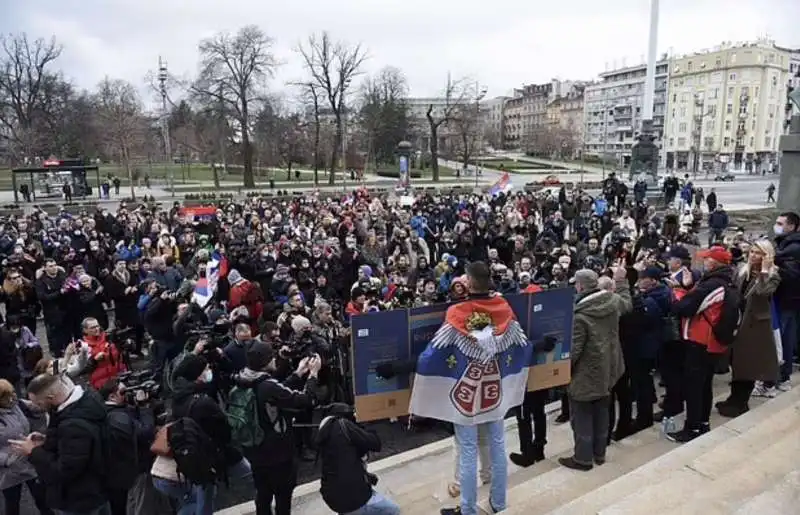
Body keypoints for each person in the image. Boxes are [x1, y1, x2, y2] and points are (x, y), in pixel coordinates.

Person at [410, 261, 530, 515]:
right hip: (493, 391)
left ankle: (467, 509)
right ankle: (498, 502)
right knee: (498, 445)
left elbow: (434, 352)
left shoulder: (458, 313)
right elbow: (522, 342)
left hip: (467, 394)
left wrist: (406, 366)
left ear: (471, 283)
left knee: (467, 450)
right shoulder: (503, 308)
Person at [232, 341, 320, 515]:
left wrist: (298, 373)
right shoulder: (268, 386)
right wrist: (313, 374)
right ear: (266, 361)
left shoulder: (242, 379)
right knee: (282, 497)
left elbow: (278, 393)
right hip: (278, 454)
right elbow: (304, 400)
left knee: (263, 494)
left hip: (253, 449)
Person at [559, 266, 631, 471]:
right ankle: (599, 454)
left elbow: (574, 351)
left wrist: (561, 373)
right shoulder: (613, 301)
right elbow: (627, 304)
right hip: (609, 368)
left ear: (580, 286)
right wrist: (622, 281)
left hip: (586, 373)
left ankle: (582, 459)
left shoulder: (580, 315)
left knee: (581, 416)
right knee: (602, 411)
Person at [13, 373, 111, 515]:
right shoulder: (87, 402)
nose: (37, 407)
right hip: (97, 489)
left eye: (39, 403)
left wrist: (33, 452)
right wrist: (48, 440)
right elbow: (81, 447)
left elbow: (65, 470)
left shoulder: (72, 425)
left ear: (51, 398)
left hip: (80, 499)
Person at [668, 245, 735, 443]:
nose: (703, 262)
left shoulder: (711, 285)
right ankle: (703, 423)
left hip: (700, 342)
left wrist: (679, 290)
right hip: (712, 343)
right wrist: (690, 288)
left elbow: (684, 307)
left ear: (713, 263)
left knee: (694, 387)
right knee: (704, 386)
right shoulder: (724, 282)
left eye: (706, 259)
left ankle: (692, 427)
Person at [716, 239, 780, 417]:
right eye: (752, 251)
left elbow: (763, 292)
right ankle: (733, 397)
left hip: (755, 324)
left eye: (758, 253)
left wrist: (764, 271)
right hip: (738, 319)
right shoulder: (742, 270)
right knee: (736, 360)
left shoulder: (773, 274)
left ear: (766, 256)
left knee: (748, 363)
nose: (753, 255)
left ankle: (741, 401)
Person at [316, 403, 400, 515]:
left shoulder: (325, 431)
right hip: (353, 499)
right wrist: (365, 422)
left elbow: (345, 462)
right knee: (393, 510)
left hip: (332, 497)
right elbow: (375, 443)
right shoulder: (343, 425)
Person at [97, 378, 156, 515]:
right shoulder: (117, 417)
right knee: (139, 504)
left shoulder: (109, 412)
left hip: (121, 470)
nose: (127, 396)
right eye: (123, 393)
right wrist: (144, 408)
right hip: (133, 468)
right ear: (111, 396)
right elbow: (145, 431)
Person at [0, 379, 52, 515]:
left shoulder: (17, 405)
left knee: (43, 499)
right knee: (12, 504)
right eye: (7, 397)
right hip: (9, 469)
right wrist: (6, 460)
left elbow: (38, 411)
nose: (12, 399)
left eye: (12, 393)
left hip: (29, 460)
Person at [769, 211, 800, 394]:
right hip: (790, 300)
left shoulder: (792, 248)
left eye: (781, 223)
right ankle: (783, 376)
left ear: (792, 226)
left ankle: (776, 378)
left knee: (780, 339)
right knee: (787, 338)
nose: (777, 225)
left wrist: (774, 269)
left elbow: (791, 276)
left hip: (785, 299)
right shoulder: (787, 244)